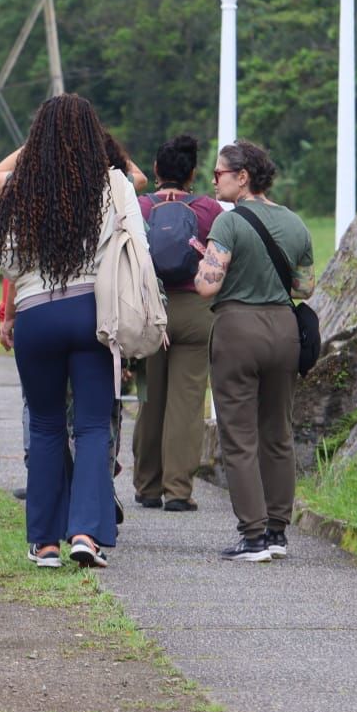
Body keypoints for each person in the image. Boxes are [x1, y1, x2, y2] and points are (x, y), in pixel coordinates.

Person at [0, 95, 145, 570]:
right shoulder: (114, 185)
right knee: (94, 426)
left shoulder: (19, 190)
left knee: (45, 425)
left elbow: (7, 263)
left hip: (36, 316)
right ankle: (86, 534)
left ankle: (45, 543)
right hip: (93, 316)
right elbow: (137, 248)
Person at [191, 140, 314, 561]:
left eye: (219, 173)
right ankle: (278, 531)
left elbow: (206, 285)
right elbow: (305, 287)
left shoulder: (228, 223)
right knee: (278, 433)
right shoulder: (295, 223)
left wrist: (206, 263)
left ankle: (253, 535)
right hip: (284, 331)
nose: (213, 180)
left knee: (240, 436)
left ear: (242, 177)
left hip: (238, 331)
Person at [132, 135, 225, 512]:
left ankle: (147, 485)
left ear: (156, 169)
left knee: (150, 397)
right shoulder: (209, 210)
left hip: (150, 309)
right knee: (186, 403)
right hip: (196, 310)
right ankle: (178, 490)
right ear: (192, 173)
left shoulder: (140, 207)